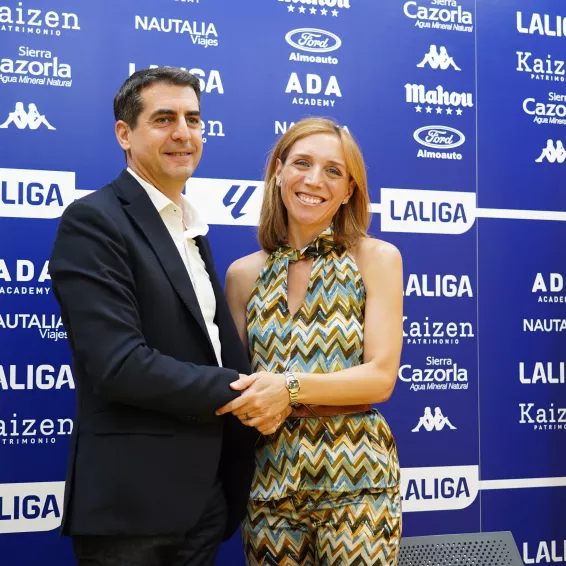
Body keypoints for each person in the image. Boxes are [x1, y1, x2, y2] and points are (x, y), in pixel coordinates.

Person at [49, 67, 278, 566]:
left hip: (204, 500)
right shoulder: (94, 220)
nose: (183, 133)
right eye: (164, 119)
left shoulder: (189, 227)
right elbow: (118, 365)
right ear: (124, 134)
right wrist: (244, 392)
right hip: (132, 508)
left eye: (193, 119)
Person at [218, 117, 404, 565]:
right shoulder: (243, 275)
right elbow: (236, 384)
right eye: (302, 163)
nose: (314, 180)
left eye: (333, 171)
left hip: (358, 482)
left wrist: (289, 388)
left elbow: (380, 378)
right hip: (268, 482)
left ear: (349, 191)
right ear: (278, 171)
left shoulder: (376, 258)